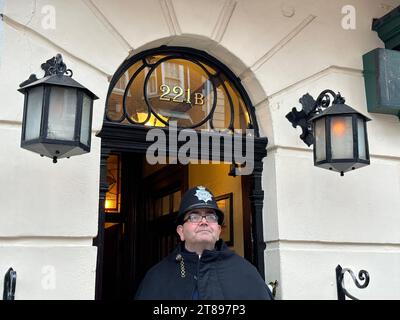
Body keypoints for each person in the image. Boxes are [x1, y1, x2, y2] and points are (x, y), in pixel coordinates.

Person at [135, 185, 273, 300]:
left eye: (211, 216)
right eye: (194, 216)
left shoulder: (246, 272)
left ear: (218, 230)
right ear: (181, 232)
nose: (204, 221)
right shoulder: (157, 277)